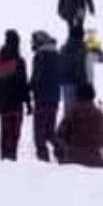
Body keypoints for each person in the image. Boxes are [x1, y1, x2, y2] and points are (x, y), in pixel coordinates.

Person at [0, 29, 32, 161]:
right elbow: (23, 84)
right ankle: (12, 157)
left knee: (4, 131)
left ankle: (3, 157)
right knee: (15, 132)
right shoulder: (19, 61)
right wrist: (28, 104)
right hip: (16, 103)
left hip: (2, 103)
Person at [55, 83, 103, 167]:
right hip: (94, 157)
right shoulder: (98, 114)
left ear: (77, 95)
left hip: (72, 157)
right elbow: (102, 138)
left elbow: (60, 134)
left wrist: (61, 154)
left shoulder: (72, 112)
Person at [29, 30, 61, 162]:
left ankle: (44, 162)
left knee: (39, 134)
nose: (32, 44)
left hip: (42, 98)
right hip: (54, 97)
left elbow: (37, 76)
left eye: (33, 41)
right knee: (50, 132)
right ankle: (63, 152)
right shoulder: (56, 54)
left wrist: (29, 87)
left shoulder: (40, 56)